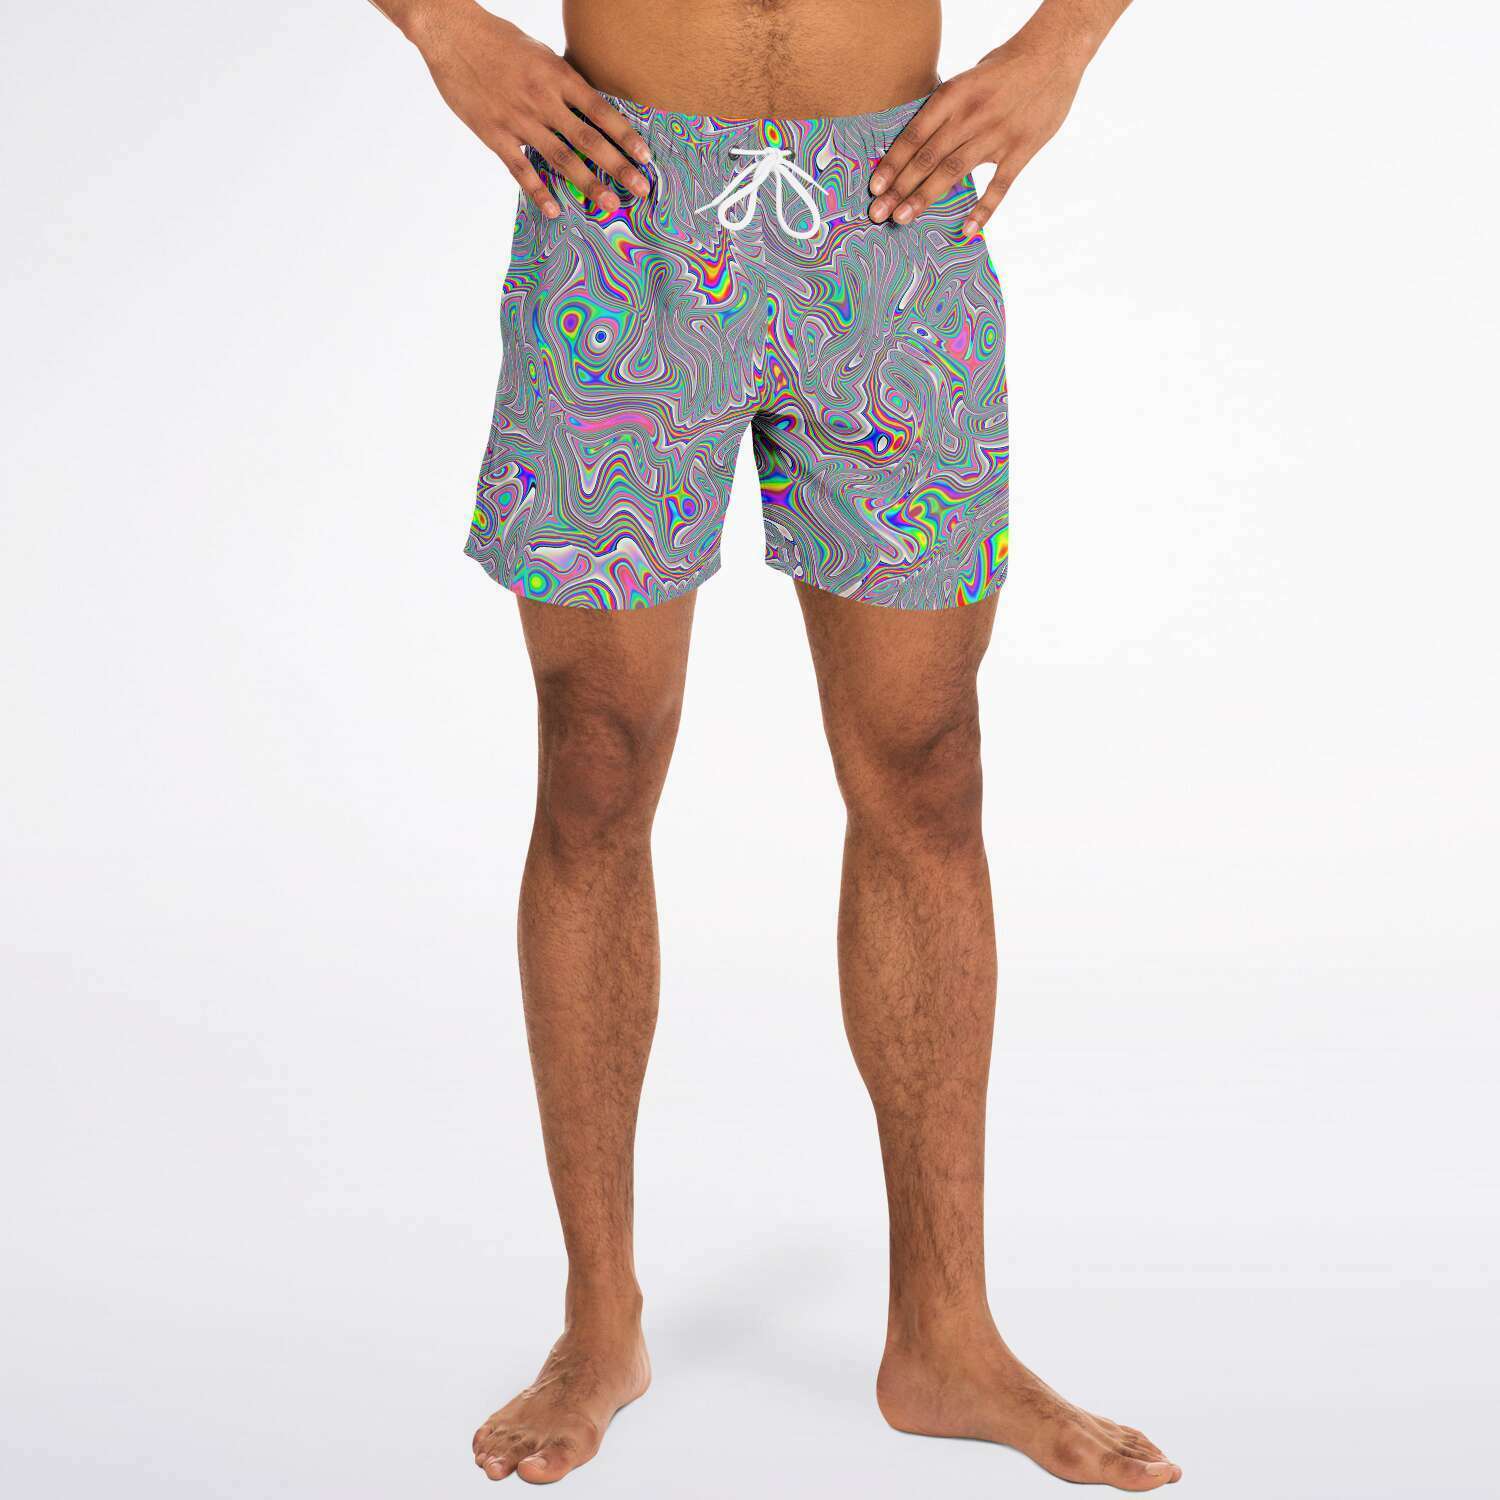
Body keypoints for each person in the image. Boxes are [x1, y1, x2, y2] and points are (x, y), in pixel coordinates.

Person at [371, 0, 1179, 1487]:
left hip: (894, 214)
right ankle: (599, 1321)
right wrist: (440, 28)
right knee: (595, 762)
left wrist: (1063, 42)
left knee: (927, 769)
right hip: (617, 203)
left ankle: (945, 1335)